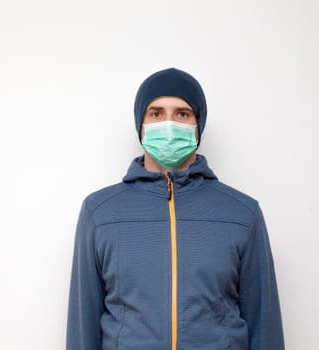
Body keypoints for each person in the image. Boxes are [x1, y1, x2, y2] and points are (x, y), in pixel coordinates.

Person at [66, 68, 284, 350]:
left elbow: (264, 326)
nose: (169, 123)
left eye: (182, 114)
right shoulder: (100, 213)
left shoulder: (242, 214)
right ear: (141, 124)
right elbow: (83, 329)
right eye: (156, 113)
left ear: (198, 124)